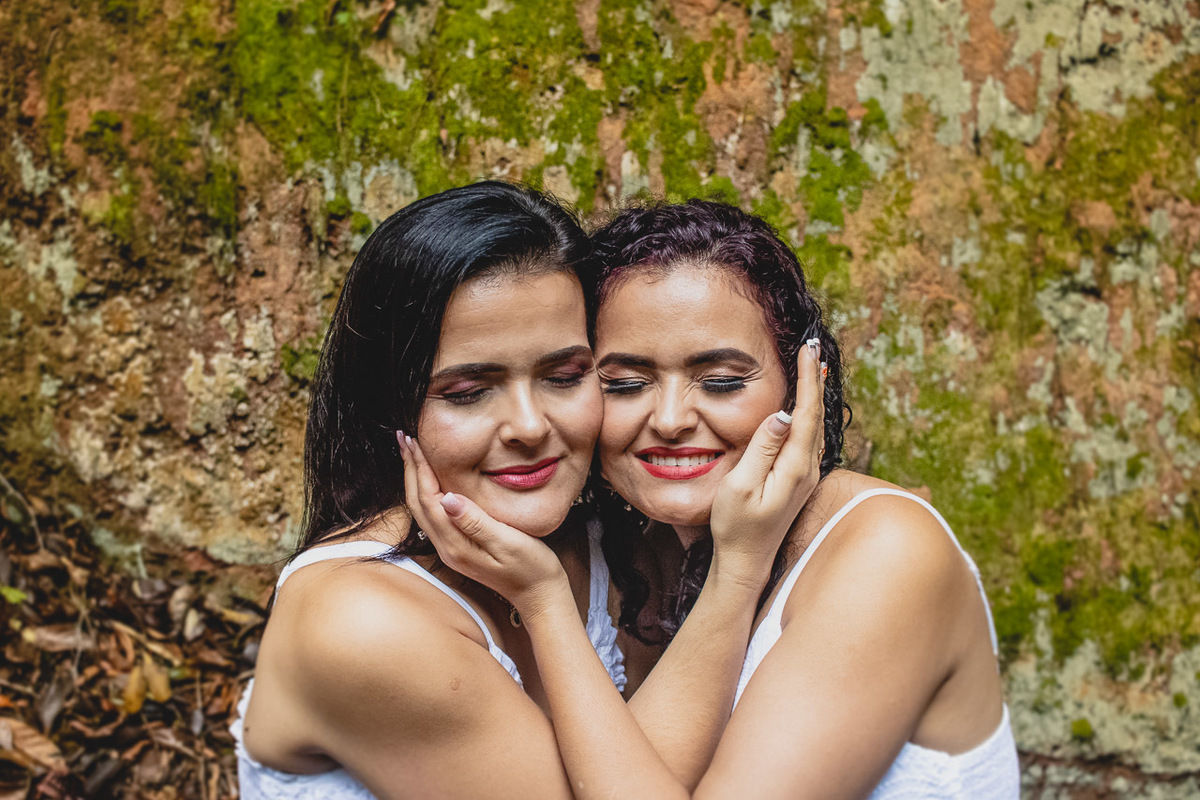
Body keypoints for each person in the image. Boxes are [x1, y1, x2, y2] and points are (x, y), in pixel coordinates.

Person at [408, 200, 1021, 798]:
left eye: (722, 382)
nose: (670, 419)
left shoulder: (884, 553)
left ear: (805, 384)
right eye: (623, 384)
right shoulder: (629, 559)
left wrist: (546, 605)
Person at [232, 184, 826, 799]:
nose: (530, 427)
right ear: (389, 408)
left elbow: (645, 774)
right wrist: (733, 572)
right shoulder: (362, 624)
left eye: (565, 376)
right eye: (466, 392)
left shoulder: (611, 546)